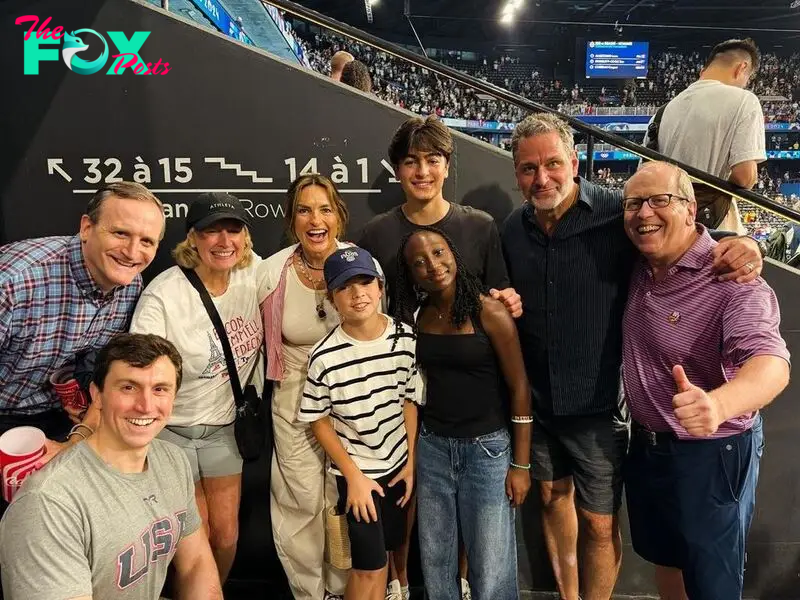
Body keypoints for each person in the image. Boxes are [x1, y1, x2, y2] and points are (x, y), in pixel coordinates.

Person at [501, 113, 764, 600]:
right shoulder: (512, 229)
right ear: (515, 173)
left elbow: (679, 239)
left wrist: (743, 243)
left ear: (574, 162)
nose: (542, 178)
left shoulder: (617, 215)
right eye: (528, 168)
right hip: (539, 405)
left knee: (602, 525)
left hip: (601, 409)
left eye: (553, 164)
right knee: (554, 499)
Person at [358, 115, 521, 600]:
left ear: (448, 165)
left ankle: (470, 583)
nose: (422, 171)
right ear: (397, 170)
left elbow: (499, 302)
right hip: (406, 404)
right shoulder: (376, 235)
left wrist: (509, 301)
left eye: (432, 160)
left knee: (483, 533)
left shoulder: (479, 227)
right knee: (425, 529)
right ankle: (402, 583)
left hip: (477, 411)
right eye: (411, 162)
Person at [620, 161, 790, 599]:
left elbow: (771, 362)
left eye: (660, 200)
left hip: (713, 455)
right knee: (667, 560)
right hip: (649, 449)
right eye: (634, 203)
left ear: (692, 210)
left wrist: (717, 405)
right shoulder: (640, 263)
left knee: (712, 583)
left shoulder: (733, 279)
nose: (644, 213)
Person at [0, 333, 222, 600]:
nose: (146, 406)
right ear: (97, 395)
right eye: (128, 387)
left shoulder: (173, 460)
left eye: (160, 389)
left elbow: (196, 563)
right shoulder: (47, 503)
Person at [130, 192, 265, 584]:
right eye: (211, 232)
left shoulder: (253, 273)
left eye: (233, 229)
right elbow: (141, 369)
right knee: (195, 540)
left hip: (224, 429)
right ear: (192, 238)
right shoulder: (164, 295)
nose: (224, 242)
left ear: (245, 237)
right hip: (171, 435)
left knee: (226, 537)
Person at [396, 226, 532, 600]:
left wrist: (521, 465)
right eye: (419, 261)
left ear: (454, 253)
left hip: (487, 451)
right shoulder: (418, 317)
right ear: (410, 273)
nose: (433, 265)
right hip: (434, 449)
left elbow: (519, 387)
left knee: (491, 566)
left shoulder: (489, 312)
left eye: (439, 253)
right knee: (437, 562)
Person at [0, 182, 165, 461]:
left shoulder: (131, 285)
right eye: (121, 233)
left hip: (56, 415)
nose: (132, 252)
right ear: (87, 228)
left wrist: (80, 430)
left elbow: (98, 367)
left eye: (146, 241)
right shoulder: (15, 282)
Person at [262, 174, 367, 600]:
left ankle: (342, 589)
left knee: (341, 497)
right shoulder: (271, 272)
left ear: (339, 215)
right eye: (304, 210)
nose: (315, 219)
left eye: (325, 208)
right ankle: (310, 593)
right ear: (292, 219)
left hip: (351, 397)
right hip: (293, 397)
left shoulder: (363, 264)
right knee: (301, 500)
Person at [299, 247, 421, 600]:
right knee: (369, 569)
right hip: (357, 474)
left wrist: (410, 463)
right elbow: (318, 420)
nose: (358, 294)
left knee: (388, 555)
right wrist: (353, 476)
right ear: (332, 299)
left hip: (398, 470)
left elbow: (409, 402)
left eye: (365, 282)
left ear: (380, 287)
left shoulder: (405, 338)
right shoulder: (324, 356)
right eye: (345, 287)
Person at [644, 38, 766, 235]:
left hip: (665, 225)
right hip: (710, 228)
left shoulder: (662, 111)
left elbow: (646, 170)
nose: (745, 84)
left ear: (703, 70)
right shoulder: (744, 101)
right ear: (741, 68)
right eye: (748, 77)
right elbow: (744, 176)